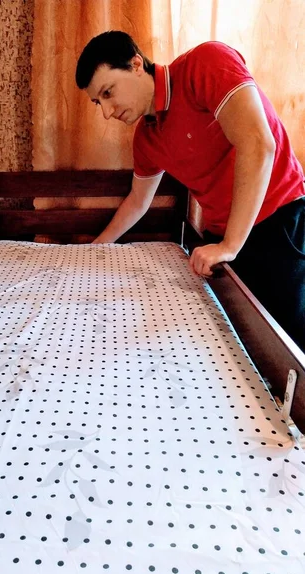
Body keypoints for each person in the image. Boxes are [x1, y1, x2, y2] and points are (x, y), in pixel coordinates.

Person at [75, 31, 305, 352]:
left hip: (277, 220)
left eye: (109, 92)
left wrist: (229, 245)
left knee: (289, 344)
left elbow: (258, 142)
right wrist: (95, 248)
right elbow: (138, 202)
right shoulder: (147, 138)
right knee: (240, 346)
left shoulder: (204, 64)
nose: (107, 112)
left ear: (136, 64)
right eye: (98, 102)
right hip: (221, 237)